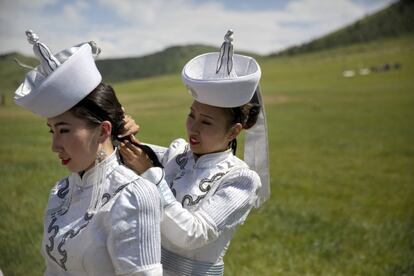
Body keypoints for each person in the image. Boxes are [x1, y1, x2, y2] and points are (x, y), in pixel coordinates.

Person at [120, 30, 270, 276]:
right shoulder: (178, 152)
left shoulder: (241, 179)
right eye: (192, 115)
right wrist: (120, 127)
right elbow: (130, 154)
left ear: (233, 131)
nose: (193, 127)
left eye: (207, 122)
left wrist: (150, 174)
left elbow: (193, 234)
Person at [14, 30, 162, 275]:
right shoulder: (60, 192)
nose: (55, 146)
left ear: (103, 131)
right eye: (52, 131)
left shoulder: (133, 196)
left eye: (64, 130)